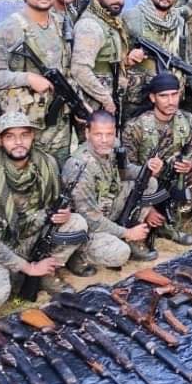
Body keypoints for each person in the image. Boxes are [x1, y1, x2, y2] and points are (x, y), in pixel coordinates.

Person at [0, 112, 86, 310]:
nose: (18, 142)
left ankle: (45, 273)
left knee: (76, 223)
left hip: (30, 236)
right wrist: (28, 267)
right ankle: (20, 274)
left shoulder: (47, 164)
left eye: (24, 135)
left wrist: (65, 211)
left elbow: (58, 201)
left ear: (33, 137)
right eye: (10, 136)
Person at [0, 0, 75, 165]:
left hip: (58, 123)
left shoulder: (61, 23)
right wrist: (27, 78)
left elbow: (68, 69)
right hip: (24, 125)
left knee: (57, 175)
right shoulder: (11, 28)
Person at [61, 110, 158, 270]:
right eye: (98, 134)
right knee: (120, 253)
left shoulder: (114, 147)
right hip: (88, 225)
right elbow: (91, 219)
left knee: (149, 182)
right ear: (87, 133)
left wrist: (147, 169)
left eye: (109, 134)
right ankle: (78, 254)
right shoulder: (79, 166)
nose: (104, 140)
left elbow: (124, 171)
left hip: (107, 205)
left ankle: (130, 231)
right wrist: (126, 233)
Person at [121, 73, 192, 246]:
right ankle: (137, 229)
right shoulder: (136, 127)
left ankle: (169, 223)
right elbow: (125, 170)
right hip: (144, 185)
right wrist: (148, 209)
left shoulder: (188, 120)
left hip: (172, 180)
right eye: (164, 96)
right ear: (153, 97)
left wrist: (190, 164)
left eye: (174, 94)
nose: (171, 101)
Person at [70, 0, 145, 116]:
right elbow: (80, 70)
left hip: (111, 96)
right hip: (95, 103)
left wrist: (126, 60)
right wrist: (105, 99)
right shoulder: (90, 26)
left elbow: (107, 56)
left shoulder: (110, 20)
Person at [122, 0, 189, 111]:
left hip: (172, 99)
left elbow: (186, 60)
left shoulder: (180, 23)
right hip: (140, 98)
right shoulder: (132, 18)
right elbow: (115, 58)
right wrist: (128, 58)